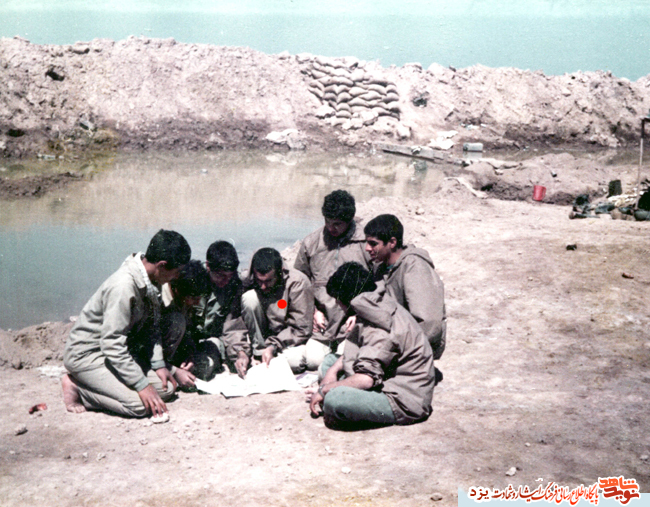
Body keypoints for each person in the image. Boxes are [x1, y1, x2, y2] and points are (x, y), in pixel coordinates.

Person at [61, 229, 191, 418]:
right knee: (141, 406)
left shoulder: (152, 279)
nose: (176, 277)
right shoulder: (123, 287)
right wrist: (141, 385)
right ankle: (77, 387)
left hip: (112, 354)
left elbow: (152, 327)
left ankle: (96, 385)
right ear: (162, 266)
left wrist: (158, 364)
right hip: (88, 356)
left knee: (167, 389)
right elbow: (112, 342)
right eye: (176, 271)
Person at [309, 262, 435, 430]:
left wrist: (325, 390)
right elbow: (361, 351)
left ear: (344, 299)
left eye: (338, 301)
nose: (338, 306)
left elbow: (366, 380)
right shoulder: (376, 303)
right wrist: (332, 372)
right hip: (387, 376)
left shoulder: (379, 326)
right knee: (330, 362)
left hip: (403, 399)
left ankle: (351, 410)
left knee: (335, 399)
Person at [294, 190, 371, 368]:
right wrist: (313, 311)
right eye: (327, 222)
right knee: (314, 362)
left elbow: (379, 284)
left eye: (337, 224)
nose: (330, 228)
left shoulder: (366, 243)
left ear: (350, 220)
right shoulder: (311, 243)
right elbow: (299, 285)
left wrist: (361, 314)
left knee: (349, 361)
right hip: (322, 326)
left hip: (355, 323)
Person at [364, 214, 447, 362]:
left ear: (392, 242)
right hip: (396, 338)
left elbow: (429, 322)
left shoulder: (414, 267)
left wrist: (396, 349)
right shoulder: (382, 267)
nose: (367, 248)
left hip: (414, 349)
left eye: (373, 243)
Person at [241, 247, 314, 373]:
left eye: (268, 281)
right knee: (249, 298)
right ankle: (259, 353)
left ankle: (268, 355)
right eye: (259, 281)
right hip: (264, 337)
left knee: (295, 362)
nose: (263, 287)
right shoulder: (248, 278)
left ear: (280, 273)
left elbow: (301, 328)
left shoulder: (297, 283)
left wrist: (273, 345)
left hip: (287, 339)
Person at [200, 240, 251, 378]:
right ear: (208, 266)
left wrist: (240, 353)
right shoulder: (193, 280)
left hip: (212, 341)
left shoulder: (233, 286)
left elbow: (232, 325)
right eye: (221, 276)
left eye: (230, 276)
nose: (226, 281)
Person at [160, 259, 211, 388]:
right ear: (177, 290)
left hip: (173, 355)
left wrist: (189, 354)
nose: (197, 303)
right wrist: (173, 370)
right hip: (154, 361)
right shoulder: (159, 299)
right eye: (194, 298)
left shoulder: (185, 297)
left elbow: (188, 331)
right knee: (177, 321)